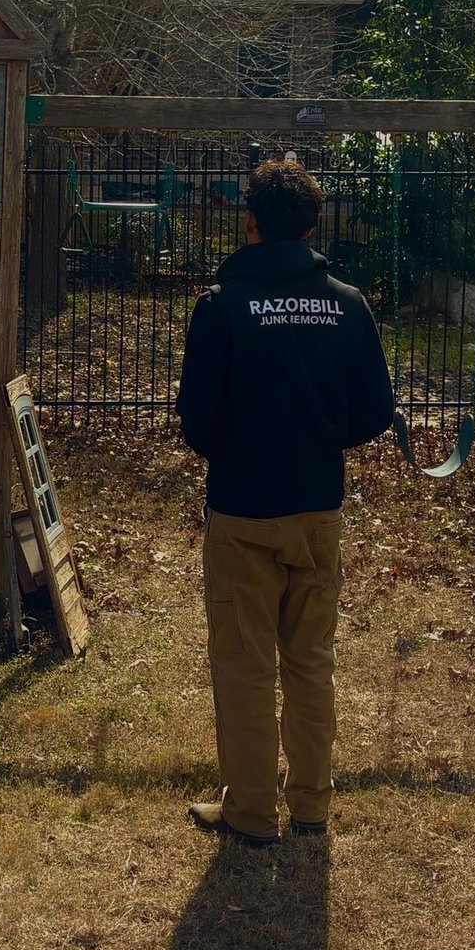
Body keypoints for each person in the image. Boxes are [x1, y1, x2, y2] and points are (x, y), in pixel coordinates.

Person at [175, 157, 395, 847]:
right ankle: (310, 808)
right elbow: (375, 413)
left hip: (242, 510)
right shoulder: (350, 305)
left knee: (244, 665)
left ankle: (249, 811)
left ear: (250, 221)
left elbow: (194, 420)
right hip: (316, 509)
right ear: (312, 224)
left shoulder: (221, 305)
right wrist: (319, 439)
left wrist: (240, 452)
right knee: (311, 660)